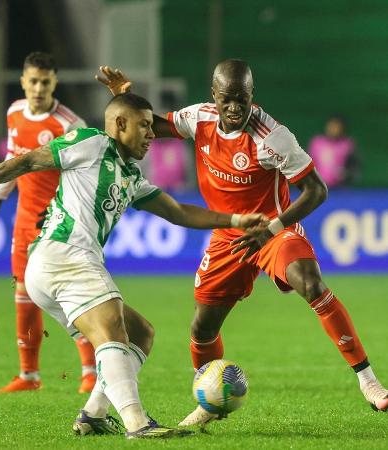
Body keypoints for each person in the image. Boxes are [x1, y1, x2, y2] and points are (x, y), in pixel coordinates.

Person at [0, 92, 269, 438]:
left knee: (140, 333)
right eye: (144, 125)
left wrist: (235, 219)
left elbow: (178, 211)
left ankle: (94, 414)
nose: (151, 134)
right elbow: (26, 161)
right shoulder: (91, 142)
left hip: (58, 267)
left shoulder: (130, 175)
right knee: (111, 328)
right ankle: (137, 423)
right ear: (120, 124)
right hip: (64, 255)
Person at [96, 61, 388, 425]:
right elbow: (151, 125)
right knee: (202, 327)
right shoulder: (198, 118)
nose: (235, 108)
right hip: (227, 236)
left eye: (243, 99)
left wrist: (273, 227)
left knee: (311, 283)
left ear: (253, 96)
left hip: (272, 229)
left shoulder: (273, 137)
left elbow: (317, 189)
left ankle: (369, 382)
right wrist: (125, 98)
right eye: (228, 99)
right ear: (214, 96)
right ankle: (208, 403)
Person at [0, 52, 96, 393]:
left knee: (61, 294)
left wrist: (69, 207)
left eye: (45, 81)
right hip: (24, 218)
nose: (39, 88)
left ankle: (90, 370)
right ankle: (29, 375)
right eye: (33, 81)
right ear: (23, 82)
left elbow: (84, 173)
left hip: (57, 221)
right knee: (23, 293)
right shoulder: (14, 112)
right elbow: (13, 160)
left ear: (55, 82)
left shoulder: (68, 124)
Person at [307, 115, 360, 188]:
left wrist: (346, 174)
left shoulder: (347, 144)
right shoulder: (317, 142)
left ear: (342, 129)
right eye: (331, 126)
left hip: (339, 189)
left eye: (336, 127)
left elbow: (355, 168)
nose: (333, 129)